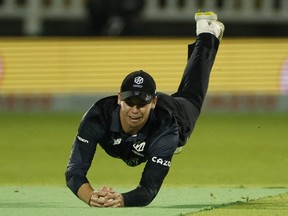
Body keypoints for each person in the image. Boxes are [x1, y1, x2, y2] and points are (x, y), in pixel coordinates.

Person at [65, 11, 225, 207]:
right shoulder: (98, 116)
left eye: (142, 104)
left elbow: (148, 190)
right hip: (144, 135)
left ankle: (207, 33)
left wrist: (122, 200)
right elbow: (74, 171)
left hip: (174, 115)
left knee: (192, 92)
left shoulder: (167, 127)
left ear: (153, 102)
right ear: (118, 99)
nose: (134, 110)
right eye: (129, 103)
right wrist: (91, 197)